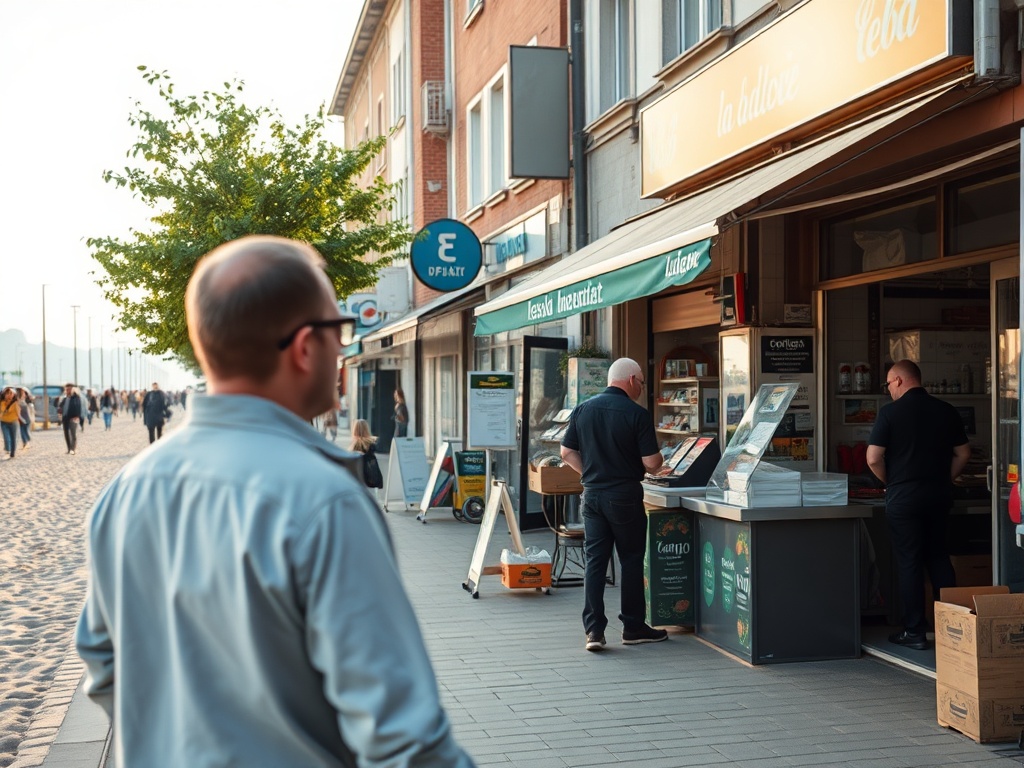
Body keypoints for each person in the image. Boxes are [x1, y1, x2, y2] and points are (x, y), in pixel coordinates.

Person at [76, 235, 473, 767]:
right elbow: (404, 741)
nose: (343, 349)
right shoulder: (324, 501)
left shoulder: (125, 492)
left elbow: (103, 665)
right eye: (340, 329)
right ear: (307, 346)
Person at [560, 358, 667, 652]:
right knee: (631, 559)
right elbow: (652, 463)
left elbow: (566, 451)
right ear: (631, 379)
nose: (642, 388)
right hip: (623, 496)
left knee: (595, 561)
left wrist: (591, 474)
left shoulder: (583, 409)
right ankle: (632, 627)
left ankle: (594, 631)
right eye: (642, 382)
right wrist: (660, 467)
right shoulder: (637, 414)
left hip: (591, 495)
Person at [867, 359, 971, 651]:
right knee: (939, 558)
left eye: (888, 384)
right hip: (938, 496)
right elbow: (963, 453)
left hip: (904, 499)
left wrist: (893, 480)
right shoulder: (946, 410)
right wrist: (944, 477)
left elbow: (873, 458)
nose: (888, 390)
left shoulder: (890, 414)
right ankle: (952, 629)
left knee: (910, 561)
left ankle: (914, 632)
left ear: (899, 380)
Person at [57, 383, 83, 455]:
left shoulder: (76, 398)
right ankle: (69, 449)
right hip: (65, 418)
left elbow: (79, 407)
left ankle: (73, 449)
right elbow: (59, 406)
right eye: (67, 389)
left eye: (69, 389)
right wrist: (59, 407)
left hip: (73, 418)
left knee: (73, 434)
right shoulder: (65, 398)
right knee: (66, 434)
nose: (67, 390)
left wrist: (77, 415)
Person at [0, 387, 20, 459]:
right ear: (4, 394)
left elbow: (18, 413)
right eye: (7, 393)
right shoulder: (2, 402)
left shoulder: (16, 403)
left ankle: (12, 453)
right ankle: (7, 450)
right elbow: (2, 410)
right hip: (4, 422)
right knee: (6, 436)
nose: (9, 395)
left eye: (11, 393)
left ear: (14, 394)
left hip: (13, 422)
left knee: (13, 438)